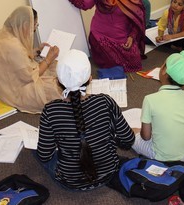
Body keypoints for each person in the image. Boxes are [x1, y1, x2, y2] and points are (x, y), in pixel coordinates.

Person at [36, 49, 135, 190]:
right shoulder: (106, 101)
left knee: (37, 152)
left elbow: (44, 155)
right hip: (109, 173)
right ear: (90, 78)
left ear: (58, 81)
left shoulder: (50, 111)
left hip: (71, 182)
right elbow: (128, 139)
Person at [59, 0, 145, 72]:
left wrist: (132, 35)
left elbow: (136, 15)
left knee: (134, 63)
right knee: (112, 64)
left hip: (122, 36)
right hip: (101, 36)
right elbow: (85, 4)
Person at [132, 49, 184, 162]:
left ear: (164, 71)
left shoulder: (149, 100)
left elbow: (146, 137)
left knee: (133, 132)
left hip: (162, 155)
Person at [0, 6, 62, 114]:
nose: (35, 29)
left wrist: (37, 50)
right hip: (17, 93)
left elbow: (17, 59)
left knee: (55, 67)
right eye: (35, 25)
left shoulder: (5, 34)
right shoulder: (13, 46)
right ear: (25, 25)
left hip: (8, 87)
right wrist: (49, 58)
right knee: (56, 87)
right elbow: (31, 76)